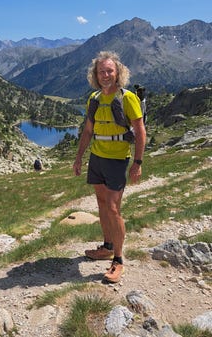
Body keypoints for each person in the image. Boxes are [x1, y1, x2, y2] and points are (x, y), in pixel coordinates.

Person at [73, 51, 146, 283]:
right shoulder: (94, 98)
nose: (105, 75)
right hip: (97, 156)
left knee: (114, 208)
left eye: (109, 71)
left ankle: (118, 260)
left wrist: (137, 162)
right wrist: (78, 158)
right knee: (102, 204)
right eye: (101, 71)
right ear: (95, 75)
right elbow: (87, 131)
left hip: (117, 159)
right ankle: (106, 247)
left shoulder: (127, 98)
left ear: (118, 73)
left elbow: (140, 131)